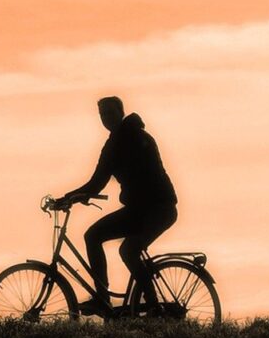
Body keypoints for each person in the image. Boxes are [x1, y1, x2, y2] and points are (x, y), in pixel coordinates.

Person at [53, 95, 177, 316]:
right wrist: (69, 197)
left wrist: (72, 197)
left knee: (128, 249)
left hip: (159, 208)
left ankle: (152, 306)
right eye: (102, 115)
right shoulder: (115, 142)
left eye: (109, 113)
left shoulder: (134, 139)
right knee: (94, 236)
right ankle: (104, 298)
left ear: (121, 112)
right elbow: (97, 181)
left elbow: (99, 182)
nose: (105, 118)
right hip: (138, 209)